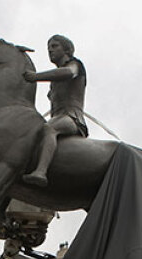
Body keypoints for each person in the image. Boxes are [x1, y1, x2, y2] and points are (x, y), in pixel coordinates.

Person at [21, 34, 87, 188]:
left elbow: (68, 73)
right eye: (48, 47)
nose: (50, 50)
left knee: (49, 128)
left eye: (55, 46)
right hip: (58, 117)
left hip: (72, 119)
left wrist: (36, 77)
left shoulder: (75, 65)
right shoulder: (55, 80)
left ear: (67, 49)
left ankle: (40, 172)